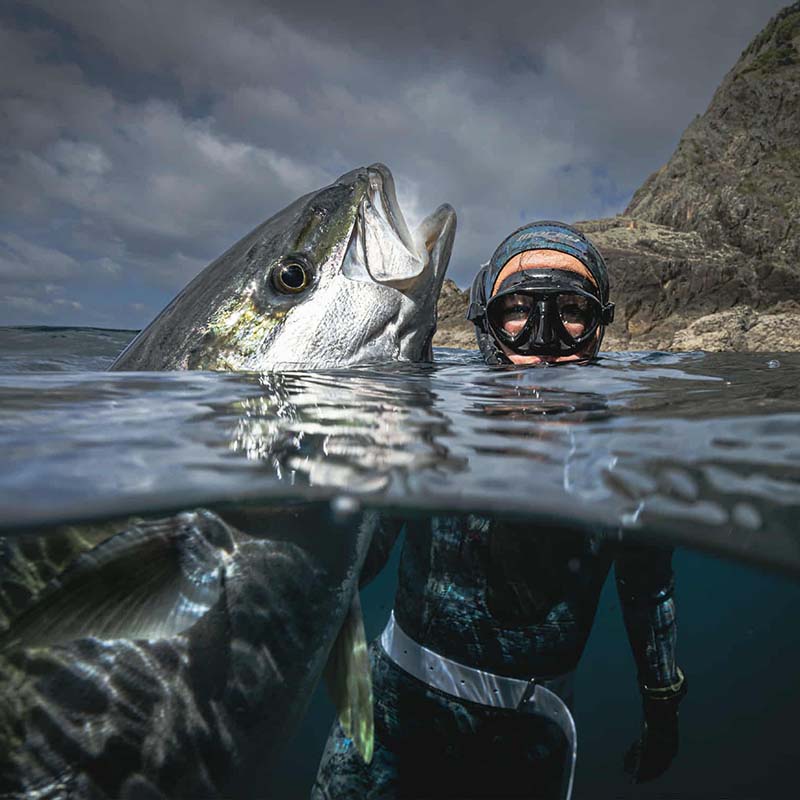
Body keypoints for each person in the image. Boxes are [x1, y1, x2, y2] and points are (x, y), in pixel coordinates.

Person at [312, 221, 686, 800]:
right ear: (488, 323)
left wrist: (662, 701)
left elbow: (648, 588)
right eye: (519, 310)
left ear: (598, 327)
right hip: (390, 717)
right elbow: (360, 554)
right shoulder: (435, 429)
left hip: (527, 739)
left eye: (571, 312)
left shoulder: (628, 453)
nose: (543, 341)